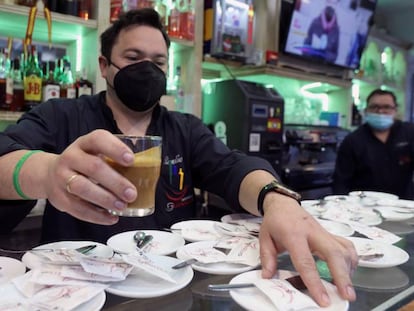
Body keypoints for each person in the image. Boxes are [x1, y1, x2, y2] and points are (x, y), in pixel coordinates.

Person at [0, 9, 356, 306]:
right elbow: (5, 157)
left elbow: (233, 167)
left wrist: (276, 199)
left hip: (169, 287)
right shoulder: (60, 115)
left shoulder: (185, 129)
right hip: (79, 293)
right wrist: (47, 172)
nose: (147, 69)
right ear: (105, 65)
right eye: (133, 58)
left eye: (158, 62)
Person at [333, 89, 414, 199]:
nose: (380, 111)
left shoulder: (409, 132)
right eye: (374, 107)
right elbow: (341, 182)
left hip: (404, 207)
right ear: (366, 111)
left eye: (386, 107)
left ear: (395, 110)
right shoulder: (353, 140)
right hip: (365, 208)